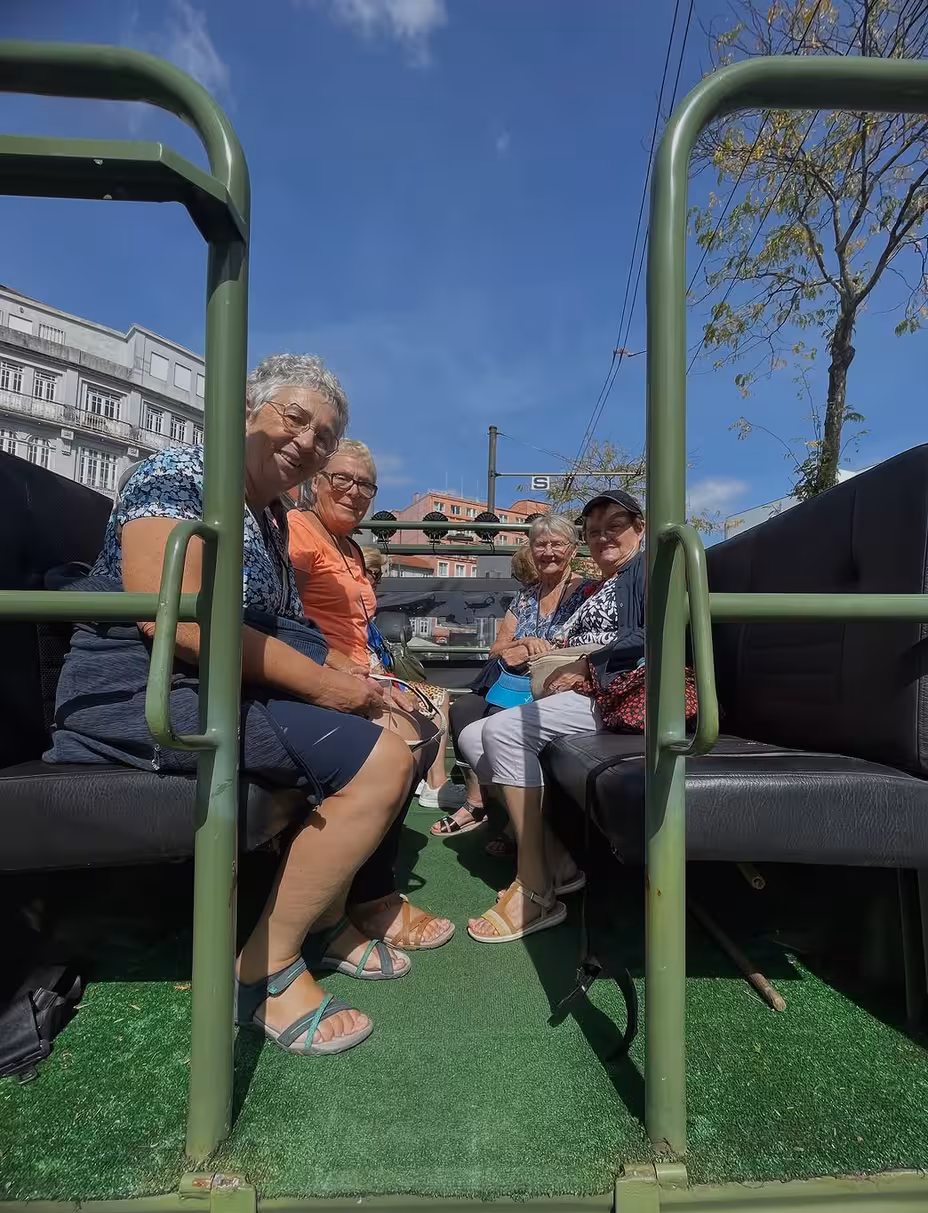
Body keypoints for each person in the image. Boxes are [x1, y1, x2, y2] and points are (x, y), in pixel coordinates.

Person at [45, 353, 442, 1056]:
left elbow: (280, 629)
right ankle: (263, 971)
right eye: (296, 419)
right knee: (380, 761)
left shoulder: (271, 518)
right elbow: (178, 622)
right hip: (143, 692)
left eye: (323, 436)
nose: (308, 442)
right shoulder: (178, 476)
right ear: (246, 412)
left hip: (217, 685)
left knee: (398, 724)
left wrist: (351, 672)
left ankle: (328, 918)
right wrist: (325, 685)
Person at [286, 444, 457, 946]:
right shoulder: (300, 532)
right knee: (402, 743)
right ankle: (371, 895)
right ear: (315, 479)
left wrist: (381, 675)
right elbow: (286, 619)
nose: (354, 492)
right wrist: (359, 680)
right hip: (316, 674)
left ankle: (363, 873)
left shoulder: (351, 548)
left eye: (366, 485)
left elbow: (359, 629)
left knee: (428, 725)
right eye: (343, 479)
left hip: (361, 670)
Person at [457, 491, 646, 943]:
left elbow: (654, 631)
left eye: (614, 526)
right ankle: (557, 859)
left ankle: (536, 889)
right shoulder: (604, 582)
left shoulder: (645, 571)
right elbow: (502, 647)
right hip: (573, 689)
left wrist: (586, 665)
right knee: (471, 736)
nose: (603, 537)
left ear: (640, 528)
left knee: (502, 731)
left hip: (613, 695)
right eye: (594, 530)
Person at [433, 512, 586, 839]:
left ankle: (500, 816)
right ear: (531, 551)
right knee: (463, 710)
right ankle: (490, 807)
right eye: (540, 545)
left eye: (557, 544)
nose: (548, 552)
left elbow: (590, 643)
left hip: (555, 684)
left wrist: (550, 650)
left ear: (573, 550)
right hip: (515, 684)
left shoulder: (585, 591)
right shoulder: (527, 595)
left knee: (498, 720)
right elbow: (495, 650)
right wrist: (522, 643)